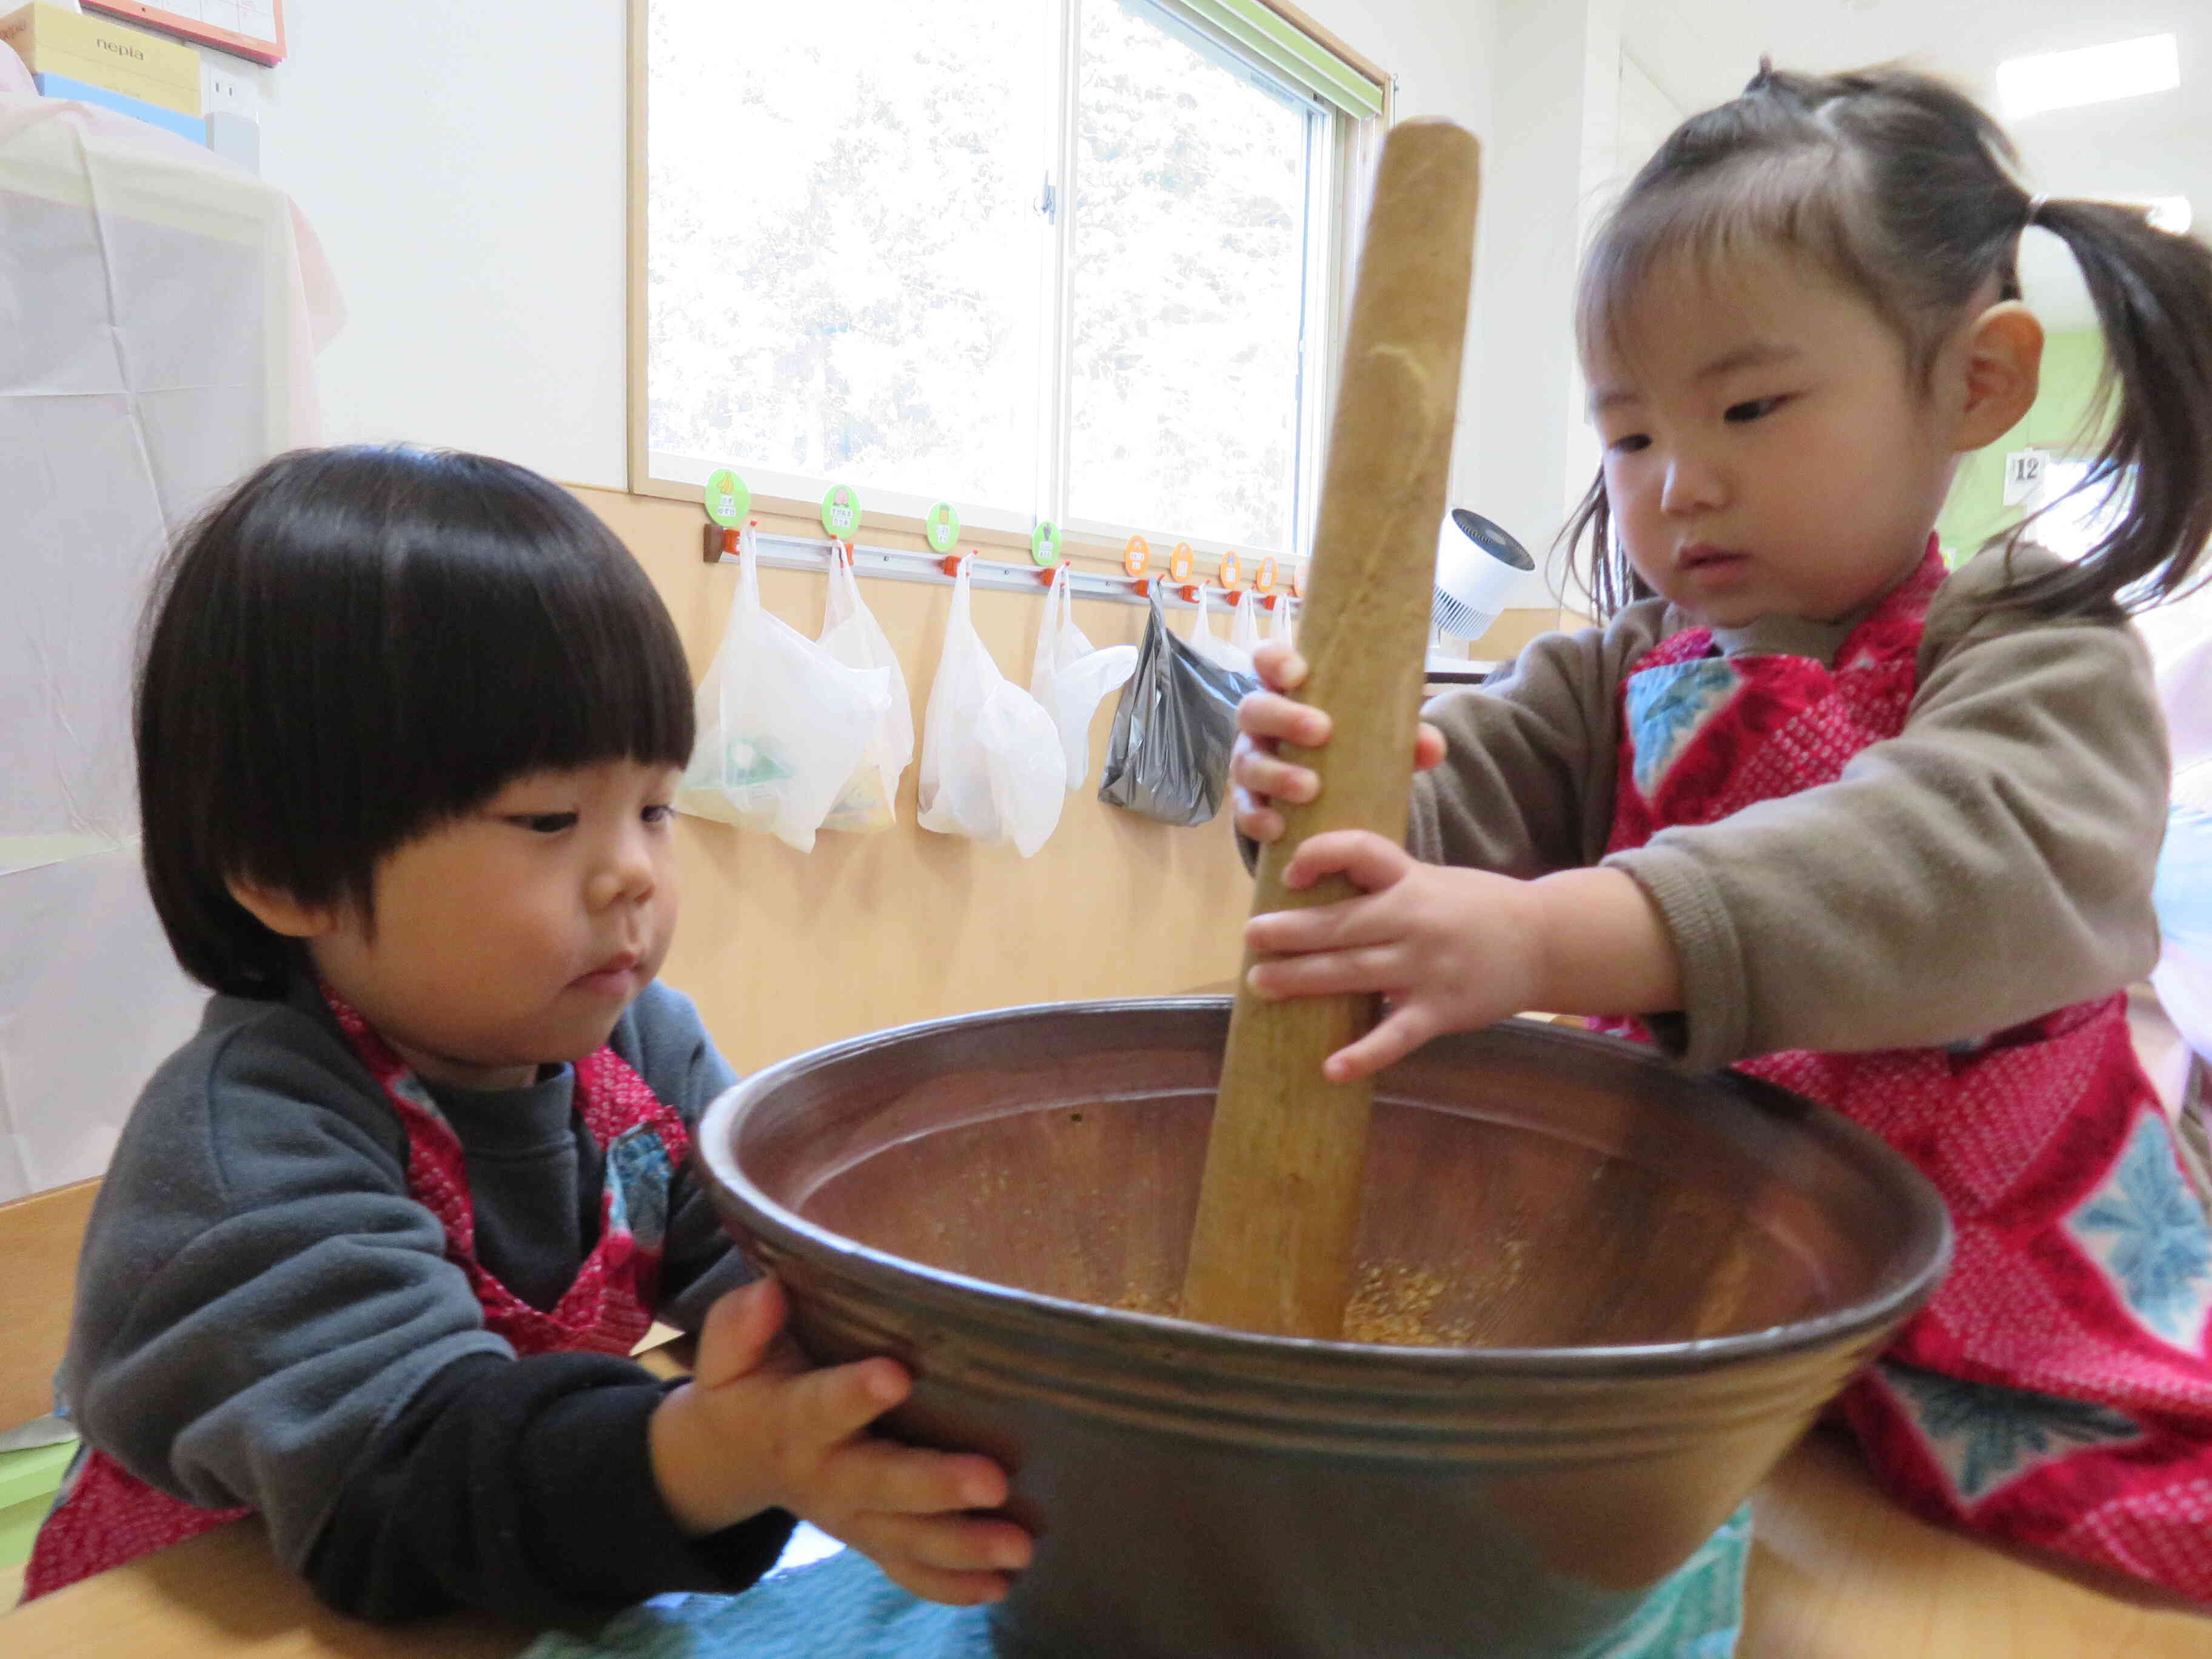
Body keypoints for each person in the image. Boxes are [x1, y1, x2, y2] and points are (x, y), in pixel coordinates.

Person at [1233, 63, 2212, 1601]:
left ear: (1974, 381)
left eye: (1750, 406)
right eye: (1628, 437)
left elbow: (1975, 862)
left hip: (2009, 1318)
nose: (1680, 484)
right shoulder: (1617, 670)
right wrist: (1318, 789)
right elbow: (1427, 841)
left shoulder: (2029, 636)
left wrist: (1559, 935)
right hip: (1706, 1287)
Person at [24, 447, 1030, 1621]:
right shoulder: (250, 1147)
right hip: (222, 1606)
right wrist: (722, 1455)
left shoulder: (641, 1052)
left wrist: (918, 1362)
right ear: (282, 874)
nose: (632, 876)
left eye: (653, 807)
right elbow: (410, 1485)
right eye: (550, 818)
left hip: (498, 1571)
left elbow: (780, 1268)